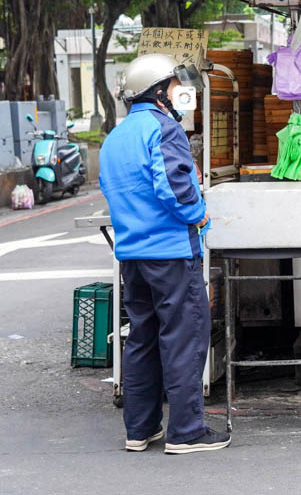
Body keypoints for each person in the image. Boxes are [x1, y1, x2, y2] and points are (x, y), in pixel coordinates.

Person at [99, 53, 230, 454]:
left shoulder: (114, 137)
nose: (178, 92)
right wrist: (200, 213)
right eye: (173, 85)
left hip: (133, 255)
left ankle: (140, 429)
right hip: (171, 252)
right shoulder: (164, 129)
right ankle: (187, 430)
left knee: (143, 337)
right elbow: (175, 188)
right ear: (158, 91)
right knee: (185, 336)